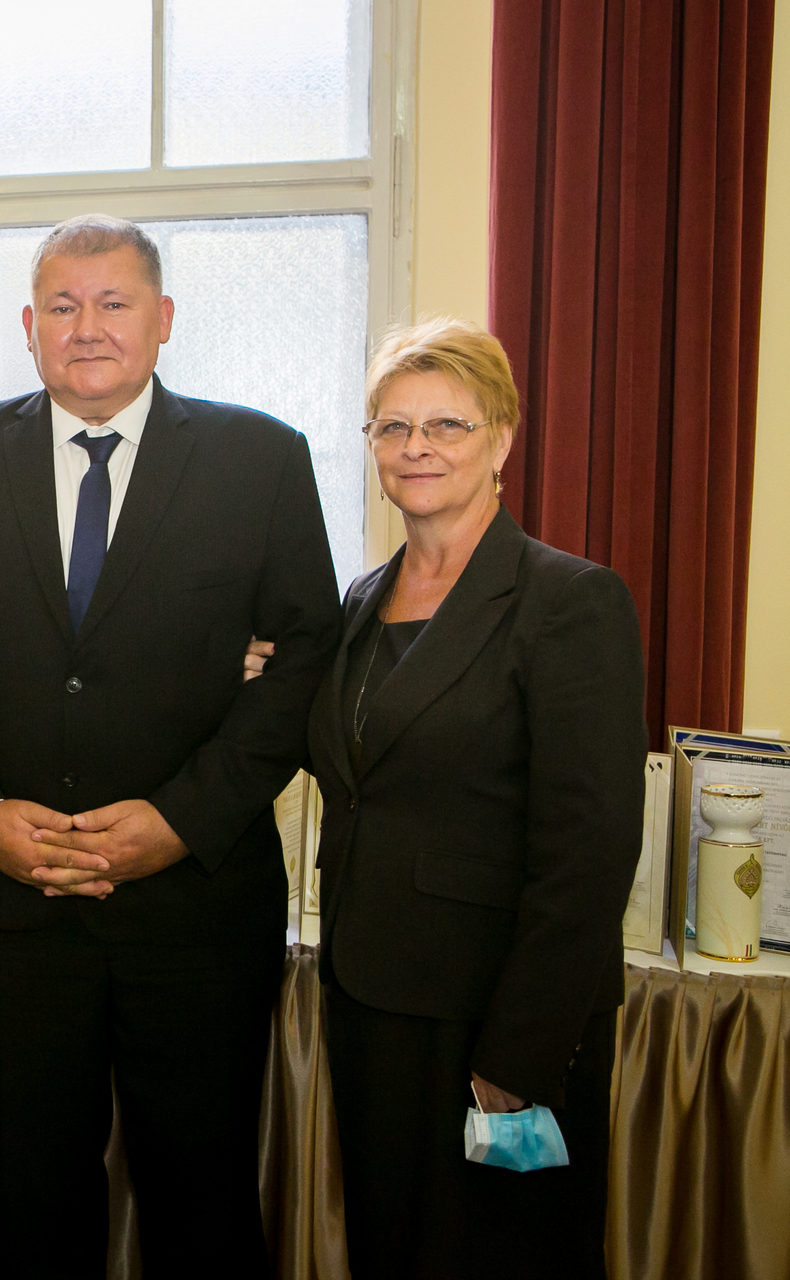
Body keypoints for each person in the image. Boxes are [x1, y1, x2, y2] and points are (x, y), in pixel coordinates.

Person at [0, 213, 342, 1277]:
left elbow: (307, 656)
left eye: (114, 302)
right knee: (40, 1201)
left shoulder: (260, 458)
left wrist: (181, 820)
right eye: (63, 306)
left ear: (163, 318)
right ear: (28, 326)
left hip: (198, 912)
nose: (87, 327)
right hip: (13, 911)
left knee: (204, 1203)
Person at [304, 319, 645, 1279]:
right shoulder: (360, 602)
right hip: (372, 1004)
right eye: (393, 426)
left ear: (500, 441)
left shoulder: (569, 602)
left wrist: (519, 1054)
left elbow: (590, 851)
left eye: (447, 425)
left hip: (496, 1018)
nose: (416, 447)